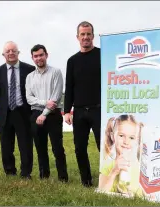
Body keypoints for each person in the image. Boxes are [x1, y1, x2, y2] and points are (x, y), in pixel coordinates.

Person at [64, 21, 101, 187]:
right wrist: (66, 111)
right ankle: (86, 180)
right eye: (82, 34)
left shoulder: (102, 54)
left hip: (99, 110)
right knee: (80, 148)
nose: (85, 37)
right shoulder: (72, 61)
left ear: (93, 36)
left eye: (88, 34)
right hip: (79, 112)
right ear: (77, 37)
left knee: (105, 146)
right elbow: (69, 87)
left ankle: (109, 179)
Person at [25, 44, 68, 182]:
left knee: (57, 148)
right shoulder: (30, 77)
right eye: (36, 56)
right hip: (35, 114)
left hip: (53, 114)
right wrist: (44, 103)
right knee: (40, 148)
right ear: (32, 58)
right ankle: (44, 176)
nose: (39, 58)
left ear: (46, 55)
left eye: (41, 55)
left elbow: (56, 97)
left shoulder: (56, 72)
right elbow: (29, 98)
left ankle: (63, 177)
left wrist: (44, 114)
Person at [0, 41, 35, 179]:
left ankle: (26, 172)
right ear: (3, 54)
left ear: (18, 52)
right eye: (8, 51)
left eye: (13, 50)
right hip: (5, 113)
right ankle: (10, 172)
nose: (11, 53)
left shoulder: (29, 69)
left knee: (25, 144)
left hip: (23, 112)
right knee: (6, 145)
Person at [99, 114, 144, 197]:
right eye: (121, 136)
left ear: (137, 140)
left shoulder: (139, 167)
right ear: (113, 136)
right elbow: (101, 193)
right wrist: (113, 172)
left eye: (131, 138)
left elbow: (143, 196)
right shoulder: (107, 165)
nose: (126, 142)